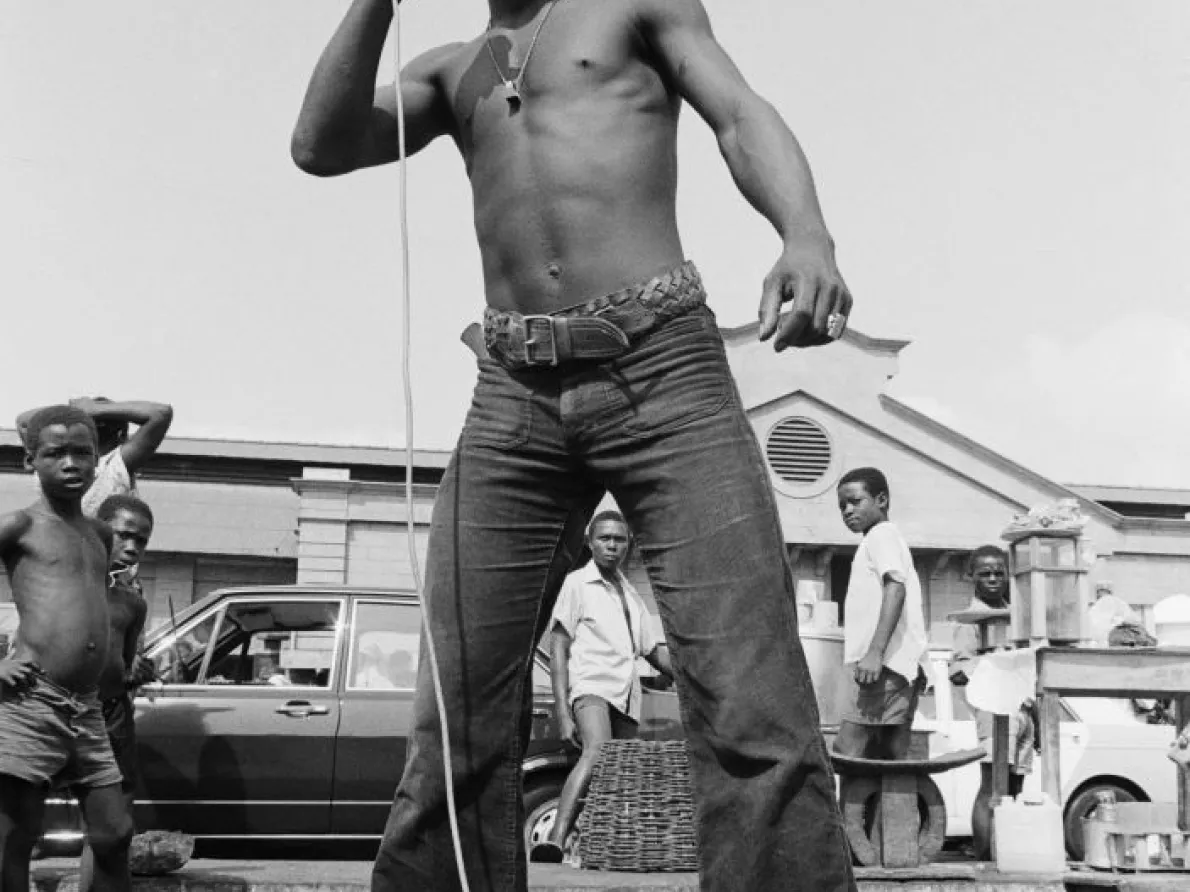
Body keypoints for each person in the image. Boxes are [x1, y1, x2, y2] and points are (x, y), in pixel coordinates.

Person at [293, 1, 857, 890]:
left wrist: (807, 233)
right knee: (456, 708)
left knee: (750, 700)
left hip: (662, 365)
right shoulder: (450, 70)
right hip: (512, 392)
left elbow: (740, 114)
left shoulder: (633, 6)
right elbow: (320, 145)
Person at [0, 405, 133, 892]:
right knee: (15, 838)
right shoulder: (19, 527)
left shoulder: (98, 534)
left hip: (88, 708)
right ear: (29, 460)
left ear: (99, 460)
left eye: (83, 452)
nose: (72, 463)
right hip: (31, 701)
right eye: (56, 453)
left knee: (115, 834)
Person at [532, 511, 672, 864]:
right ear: (590, 543)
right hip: (591, 687)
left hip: (627, 696)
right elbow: (559, 647)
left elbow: (652, 651)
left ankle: (601, 848)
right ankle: (555, 838)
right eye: (605, 538)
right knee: (596, 750)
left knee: (616, 776)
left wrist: (692, 675)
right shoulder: (577, 584)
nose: (612, 546)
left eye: (619, 540)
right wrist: (563, 712)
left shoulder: (630, 593)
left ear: (628, 545)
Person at [79, 495, 157, 892]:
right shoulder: (65, 579)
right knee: (19, 823)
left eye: (141, 540)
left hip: (111, 714)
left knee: (112, 831)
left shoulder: (133, 602)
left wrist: (137, 673)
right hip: (55, 708)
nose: (132, 547)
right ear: (100, 528)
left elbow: (124, 667)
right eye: (124, 535)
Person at [834, 467, 929, 761]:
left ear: (882, 499)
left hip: (884, 667)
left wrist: (874, 652)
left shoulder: (881, 535)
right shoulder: (882, 538)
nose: (848, 510)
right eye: (842, 506)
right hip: (891, 667)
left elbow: (895, 588)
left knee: (848, 751)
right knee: (884, 757)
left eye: (855, 501)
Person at [947, 544, 1034, 860]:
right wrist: (991, 664)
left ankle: (1006, 853)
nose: (994, 579)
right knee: (993, 787)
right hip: (995, 710)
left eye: (999, 573)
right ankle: (985, 857)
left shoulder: (1018, 615)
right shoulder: (969, 621)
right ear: (972, 576)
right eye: (986, 574)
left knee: (1014, 789)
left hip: (1023, 710)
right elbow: (958, 670)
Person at [16, 397, 173, 518]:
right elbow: (23, 422)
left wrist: (86, 409)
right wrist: (86, 410)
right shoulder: (55, 461)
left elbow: (161, 413)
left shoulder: (114, 465)